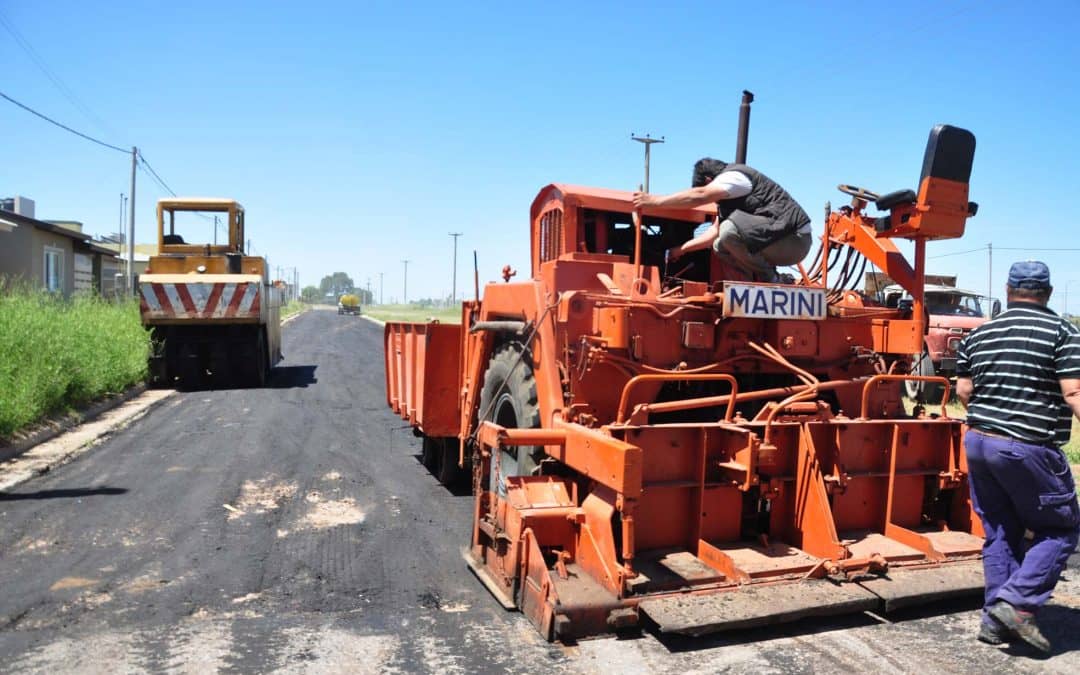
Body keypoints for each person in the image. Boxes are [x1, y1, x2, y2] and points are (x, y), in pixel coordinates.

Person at [955, 260, 1080, 653]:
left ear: (1008, 291)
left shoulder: (979, 334)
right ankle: (1019, 605)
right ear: (1046, 293)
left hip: (978, 443)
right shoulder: (1062, 332)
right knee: (1060, 529)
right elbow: (1073, 393)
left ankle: (995, 621)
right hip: (1026, 446)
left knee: (1000, 530)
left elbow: (963, 391)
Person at [632, 157, 812, 282]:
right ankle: (751, 285)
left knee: (729, 232)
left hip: (794, 240)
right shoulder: (727, 201)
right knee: (719, 245)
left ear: (710, 179)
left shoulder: (734, 177)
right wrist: (681, 249)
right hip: (776, 239)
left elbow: (701, 195)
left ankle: (772, 279)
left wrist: (654, 201)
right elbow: (713, 234)